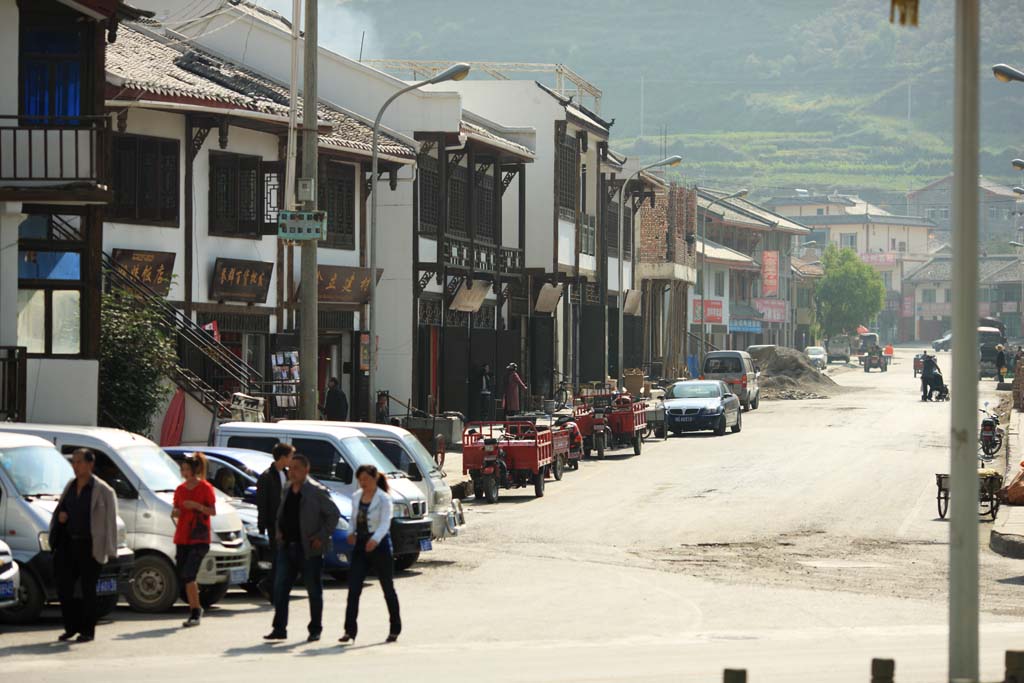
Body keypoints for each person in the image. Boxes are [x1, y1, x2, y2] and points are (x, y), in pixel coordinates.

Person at [265, 454, 339, 642]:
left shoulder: (316, 491)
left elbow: (333, 515)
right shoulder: (287, 488)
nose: (292, 472)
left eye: (296, 468)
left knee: (314, 591)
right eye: (290, 468)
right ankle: (279, 628)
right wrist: (279, 531)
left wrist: (321, 537)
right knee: (280, 588)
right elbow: (281, 514)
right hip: (287, 547)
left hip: (308, 550)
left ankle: (315, 629)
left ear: (306, 470)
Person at [49, 448, 118, 643]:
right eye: (74, 462)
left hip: (91, 546)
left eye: (79, 462)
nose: (75, 465)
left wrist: (111, 550)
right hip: (68, 544)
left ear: (90, 464)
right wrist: (61, 518)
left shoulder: (104, 490)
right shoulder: (70, 486)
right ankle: (70, 627)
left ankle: (87, 631)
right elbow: (60, 510)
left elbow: (110, 522)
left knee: (88, 589)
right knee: (65, 588)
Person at [340, 465, 401, 645]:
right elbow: (353, 519)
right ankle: (349, 631)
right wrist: (351, 532)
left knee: (387, 588)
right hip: (360, 546)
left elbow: (384, 524)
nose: (363, 483)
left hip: (380, 545)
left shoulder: (384, 499)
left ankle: (394, 628)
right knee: (353, 589)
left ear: (374, 479)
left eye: (366, 479)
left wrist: (374, 540)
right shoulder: (356, 497)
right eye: (360, 480)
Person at [172, 452, 217, 628]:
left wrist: (197, 506)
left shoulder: (205, 488)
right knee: (184, 576)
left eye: (186, 469)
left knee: (189, 574)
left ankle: (195, 611)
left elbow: (212, 511)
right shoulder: (180, 489)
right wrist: (176, 512)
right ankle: (195, 607)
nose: (183, 472)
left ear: (194, 470)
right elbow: (176, 509)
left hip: (199, 537)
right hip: (182, 536)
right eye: (182, 469)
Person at [255, 443, 294, 598]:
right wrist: (262, 525)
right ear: (283, 457)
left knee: (285, 557)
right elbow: (262, 503)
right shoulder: (267, 477)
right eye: (290, 457)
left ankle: (272, 585)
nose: (292, 460)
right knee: (279, 556)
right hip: (274, 524)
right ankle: (269, 585)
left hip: (288, 523)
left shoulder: (286, 474)